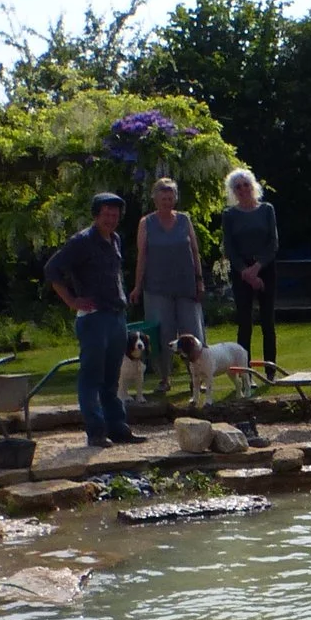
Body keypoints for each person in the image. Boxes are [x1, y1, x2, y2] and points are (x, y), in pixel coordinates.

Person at [43, 193, 141, 446]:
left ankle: (117, 427)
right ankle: (96, 431)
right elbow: (52, 270)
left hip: (116, 315)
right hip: (94, 317)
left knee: (112, 377)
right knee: (92, 376)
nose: (111, 219)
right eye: (106, 214)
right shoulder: (82, 241)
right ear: (96, 215)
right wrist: (72, 300)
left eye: (115, 215)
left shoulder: (115, 239)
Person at [136, 177, 205, 395]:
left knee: (192, 331)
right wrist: (137, 286)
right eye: (163, 197)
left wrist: (200, 279)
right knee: (163, 333)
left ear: (175, 198)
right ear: (155, 198)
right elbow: (142, 256)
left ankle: (198, 377)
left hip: (186, 284)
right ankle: (164, 378)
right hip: (157, 286)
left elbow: (195, 251)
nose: (167, 201)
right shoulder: (146, 223)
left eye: (170, 197)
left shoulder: (185, 219)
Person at [220, 168, 280, 371]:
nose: (243, 189)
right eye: (238, 187)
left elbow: (273, 243)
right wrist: (245, 271)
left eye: (246, 185)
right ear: (233, 191)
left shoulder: (267, 210)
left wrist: (257, 267)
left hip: (265, 267)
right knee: (245, 323)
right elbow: (229, 246)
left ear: (252, 186)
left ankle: (271, 370)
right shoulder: (229, 215)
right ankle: (245, 372)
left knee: (267, 323)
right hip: (241, 272)